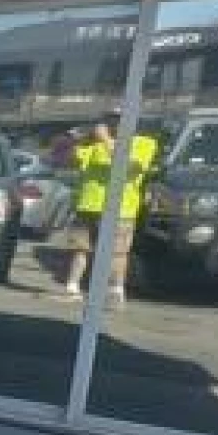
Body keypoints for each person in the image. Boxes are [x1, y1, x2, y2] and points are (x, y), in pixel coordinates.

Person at [60, 111, 159, 307]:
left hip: (121, 208)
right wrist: (76, 141)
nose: (112, 124)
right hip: (89, 205)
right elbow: (70, 160)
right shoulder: (94, 144)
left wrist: (106, 140)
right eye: (109, 120)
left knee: (117, 252)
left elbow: (129, 168)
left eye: (118, 120)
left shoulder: (143, 143)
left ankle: (115, 291)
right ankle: (72, 286)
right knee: (80, 247)